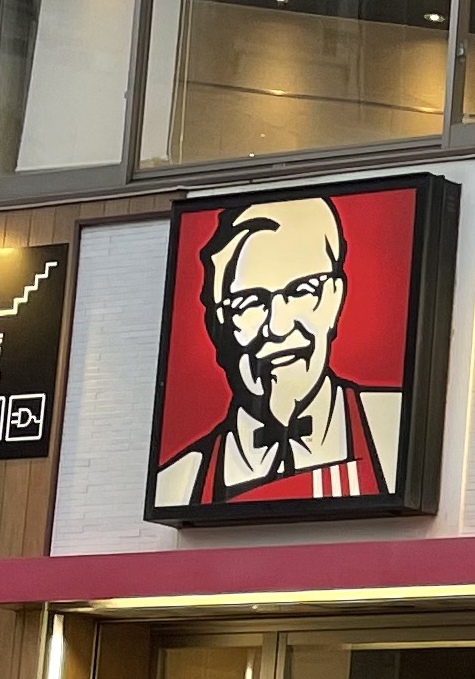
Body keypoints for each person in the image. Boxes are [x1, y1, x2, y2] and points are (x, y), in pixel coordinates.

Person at [152, 192, 408, 507]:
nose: (278, 326)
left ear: (335, 298)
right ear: (219, 322)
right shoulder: (178, 485)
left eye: (302, 291)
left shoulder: (396, 430)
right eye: (250, 302)